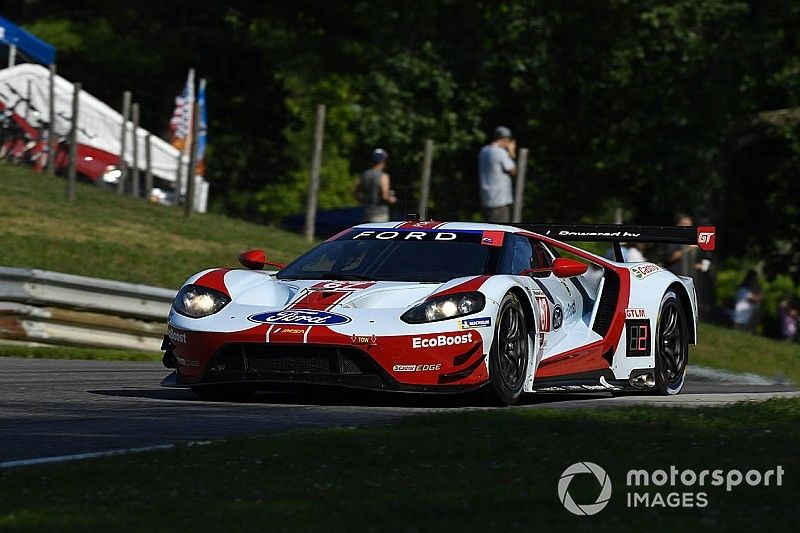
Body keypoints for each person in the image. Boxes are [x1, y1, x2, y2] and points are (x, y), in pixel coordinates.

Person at [478, 126, 517, 222]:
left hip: (486, 198)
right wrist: (511, 152)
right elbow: (512, 170)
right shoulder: (500, 152)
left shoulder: (484, 150)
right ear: (505, 139)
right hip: (500, 200)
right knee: (501, 231)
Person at [354, 148, 396, 223]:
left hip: (367, 213)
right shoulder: (383, 176)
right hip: (380, 214)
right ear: (383, 161)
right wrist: (391, 199)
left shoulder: (365, 175)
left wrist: (362, 200)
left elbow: (355, 191)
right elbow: (384, 196)